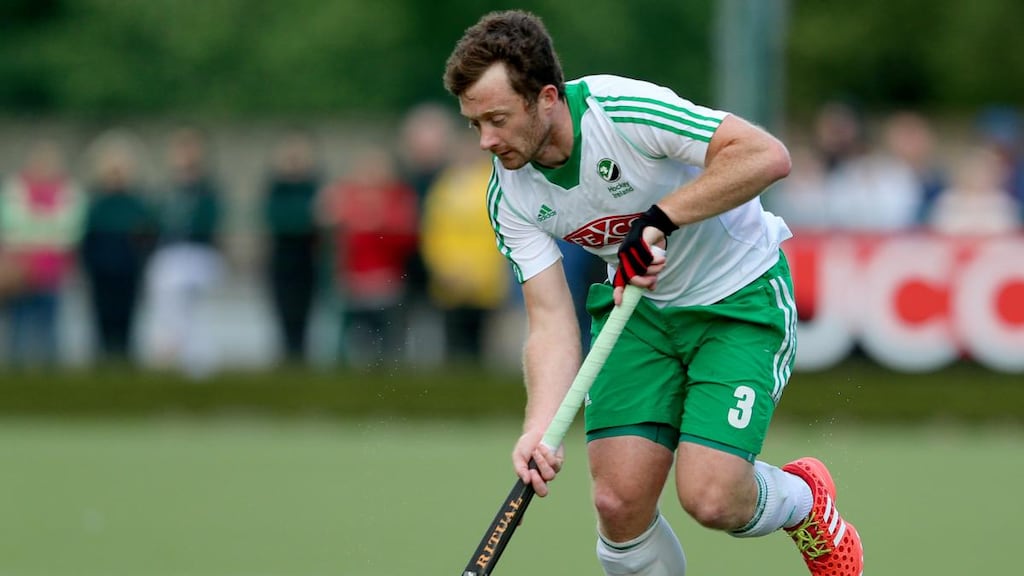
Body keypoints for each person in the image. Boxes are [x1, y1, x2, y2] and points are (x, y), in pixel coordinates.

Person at [443, 10, 862, 576]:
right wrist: (539, 428)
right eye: (475, 125)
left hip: (737, 300)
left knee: (711, 498)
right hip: (639, 317)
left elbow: (766, 155)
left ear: (546, 98)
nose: (487, 141)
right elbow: (549, 321)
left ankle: (804, 504)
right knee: (617, 505)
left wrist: (659, 218)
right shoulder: (509, 196)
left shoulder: (623, 111)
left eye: (497, 118)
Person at [143, 127, 225, 378]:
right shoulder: (167, 191)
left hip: (198, 255)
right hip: (170, 256)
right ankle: (172, 355)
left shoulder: (208, 190)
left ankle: (194, 366)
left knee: (194, 317)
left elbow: (209, 225)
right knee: (168, 303)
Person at [0, 139, 86, 367]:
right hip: (20, 274)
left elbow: (68, 232)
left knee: (49, 331)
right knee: (19, 329)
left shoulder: (68, 192)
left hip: (52, 273)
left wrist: (34, 228)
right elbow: (13, 229)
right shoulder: (15, 190)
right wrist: (46, 228)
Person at [79, 130, 159, 363]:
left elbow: (148, 237)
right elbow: (86, 239)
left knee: (126, 321)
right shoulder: (96, 204)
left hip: (128, 269)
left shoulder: (137, 204)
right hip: (101, 270)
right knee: (102, 321)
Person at [261, 129, 324, 363]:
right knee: (284, 317)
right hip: (282, 262)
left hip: (309, 261)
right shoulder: (276, 187)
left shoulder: (315, 185)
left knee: (306, 319)